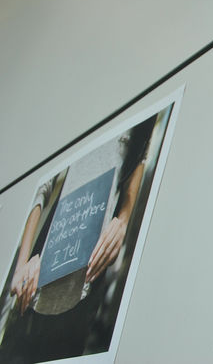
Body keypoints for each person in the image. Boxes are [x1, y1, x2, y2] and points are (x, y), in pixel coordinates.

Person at [0, 116, 156, 362]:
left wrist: (123, 221)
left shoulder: (142, 118)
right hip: (37, 277)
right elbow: (43, 183)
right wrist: (23, 261)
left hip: (87, 279)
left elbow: (139, 158)